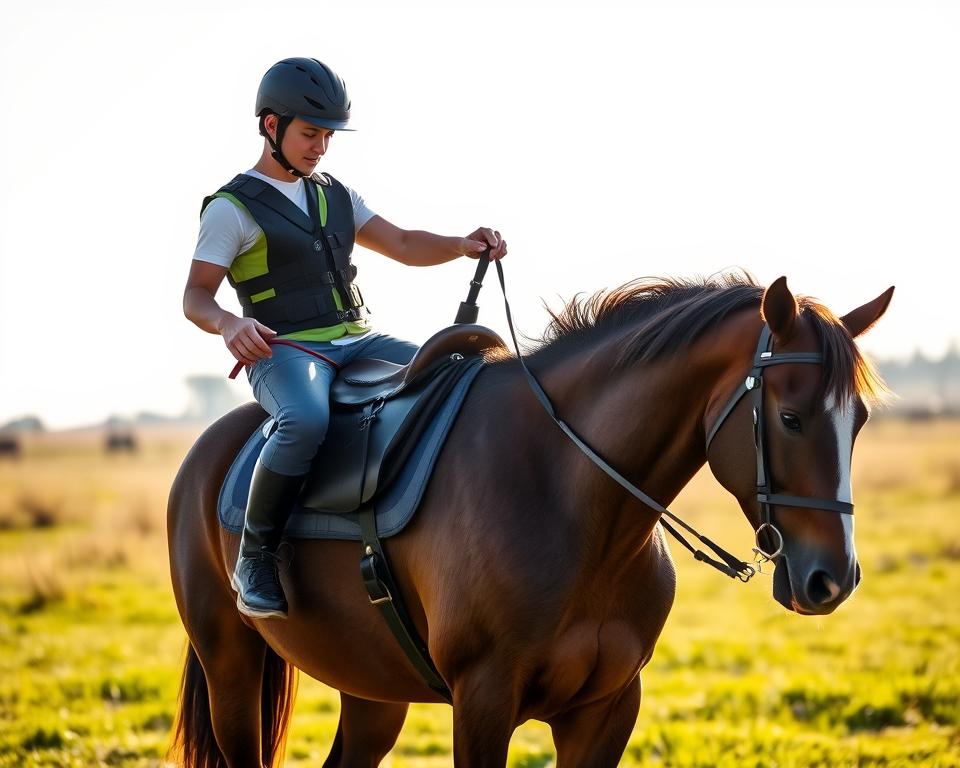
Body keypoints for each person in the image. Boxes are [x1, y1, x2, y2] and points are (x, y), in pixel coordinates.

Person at [183, 57, 507, 620]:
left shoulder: (337, 195)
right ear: (270, 126)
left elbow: (404, 243)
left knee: (457, 377)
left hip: (359, 339)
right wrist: (231, 325)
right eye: (310, 134)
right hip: (285, 350)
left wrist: (461, 243)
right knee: (303, 421)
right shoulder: (231, 209)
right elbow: (196, 298)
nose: (321, 148)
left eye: (328, 136)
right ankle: (254, 558)